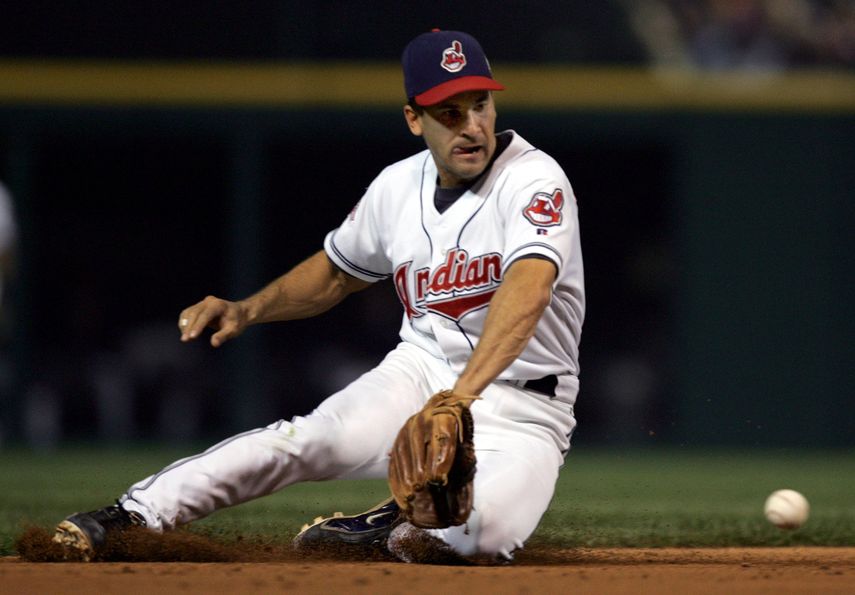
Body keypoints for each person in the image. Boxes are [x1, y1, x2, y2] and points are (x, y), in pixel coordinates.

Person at [53, 29, 585, 564]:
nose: (472, 126)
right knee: (309, 441)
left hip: (527, 406)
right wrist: (247, 309)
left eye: (480, 105)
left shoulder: (534, 180)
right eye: (449, 112)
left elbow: (527, 295)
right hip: (420, 373)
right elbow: (335, 274)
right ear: (413, 119)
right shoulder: (396, 187)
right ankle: (131, 515)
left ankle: (389, 524)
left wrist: (460, 398)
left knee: (474, 539)